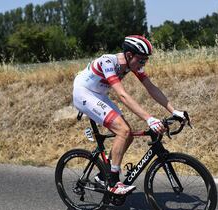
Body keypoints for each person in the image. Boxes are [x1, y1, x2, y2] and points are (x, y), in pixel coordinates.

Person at [72, 35, 186, 195]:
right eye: (141, 60)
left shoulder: (134, 64)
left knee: (129, 134)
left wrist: (174, 111)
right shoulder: (108, 62)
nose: (143, 64)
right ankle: (112, 181)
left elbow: (151, 87)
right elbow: (122, 95)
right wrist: (149, 118)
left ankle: (103, 176)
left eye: (146, 60)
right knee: (123, 131)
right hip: (84, 93)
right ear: (130, 55)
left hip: (99, 94)